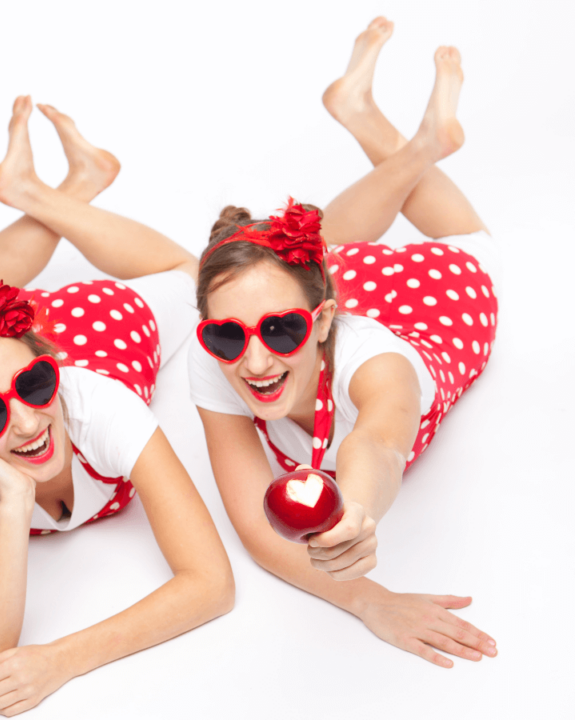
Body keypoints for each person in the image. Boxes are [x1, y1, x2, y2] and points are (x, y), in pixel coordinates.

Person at [0, 96, 234, 716]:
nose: (26, 420)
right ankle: (68, 184)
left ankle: (48, 191)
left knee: (190, 271)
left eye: (36, 385)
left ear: (53, 369)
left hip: (106, 324)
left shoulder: (99, 405)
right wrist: (13, 503)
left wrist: (62, 659)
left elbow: (212, 585)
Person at [189, 18, 499, 669]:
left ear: (324, 320)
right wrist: (367, 600)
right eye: (226, 332)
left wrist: (354, 510)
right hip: (340, 290)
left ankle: (421, 142)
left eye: (281, 329)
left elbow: (379, 442)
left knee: (469, 245)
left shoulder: (377, 361)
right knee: (306, 245)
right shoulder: (214, 352)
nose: (254, 359)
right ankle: (371, 117)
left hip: (442, 300)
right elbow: (252, 521)